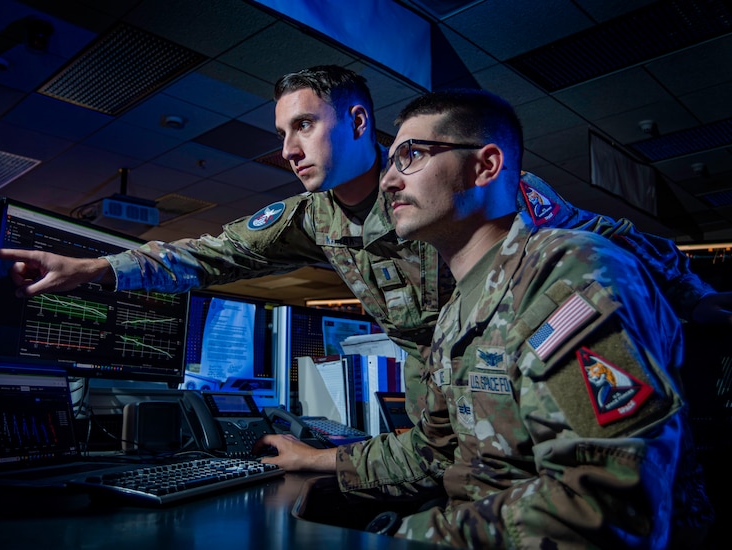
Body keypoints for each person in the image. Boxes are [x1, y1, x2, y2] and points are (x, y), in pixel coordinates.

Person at [0, 65, 725, 484]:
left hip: (538, 382)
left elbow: (602, 243)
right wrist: (92, 267)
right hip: (448, 409)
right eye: (280, 133)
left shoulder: (465, 186)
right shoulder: (311, 219)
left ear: (362, 122)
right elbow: (203, 254)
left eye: (304, 124)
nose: (287, 147)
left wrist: (704, 305)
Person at [256, 88, 710, 547]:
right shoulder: (456, 311)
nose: (389, 180)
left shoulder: (564, 274)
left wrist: (401, 534)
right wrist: (316, 460)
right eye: (390, 161)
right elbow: (434, 453)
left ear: (485, 166)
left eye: (411, 155)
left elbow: (606, 505)